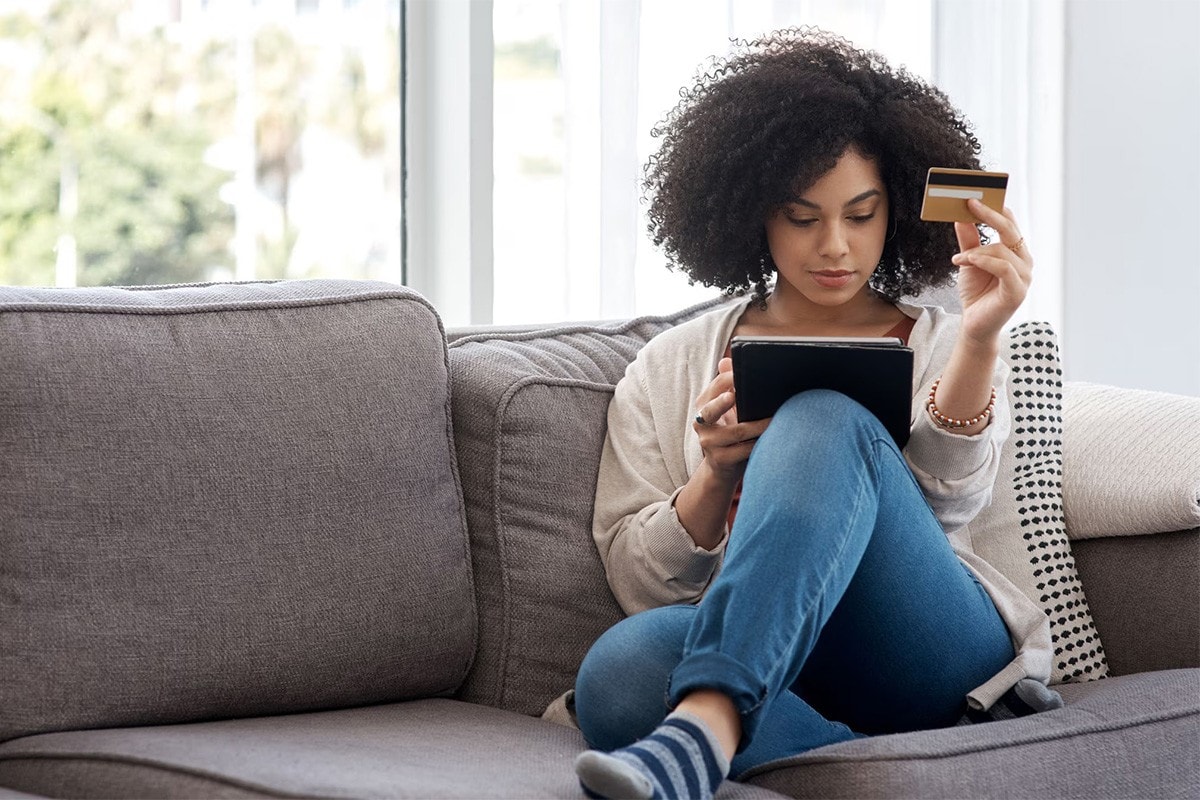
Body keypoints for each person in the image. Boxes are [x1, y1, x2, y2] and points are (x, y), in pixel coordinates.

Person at [571, 27, 1060, 800]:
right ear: (753, 216)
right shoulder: (668, 367)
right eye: (803, 218)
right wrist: (714, 475)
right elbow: (639, 581)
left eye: (861, 215)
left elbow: (950, 500)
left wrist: (979, 338)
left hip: (924, 643)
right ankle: (867, 763)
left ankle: (706, 726)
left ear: (894, 213)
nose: (835, 246)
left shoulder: (942, 337)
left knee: (824, 417)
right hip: (789, 673)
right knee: (619, 673)